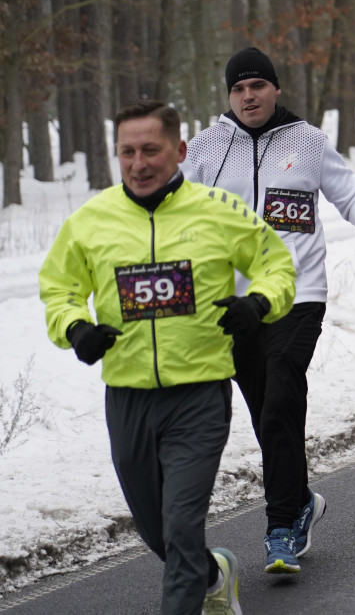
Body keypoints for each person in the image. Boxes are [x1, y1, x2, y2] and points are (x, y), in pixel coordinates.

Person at [40, 100, 297, 614]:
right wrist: (75, 328)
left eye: (150, 150)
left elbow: (277, 267)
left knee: (180, 525)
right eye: (127, 152)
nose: (138, 164)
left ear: (179, 150)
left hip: (199, 394)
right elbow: (59, 289)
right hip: (127, 398)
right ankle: (212, 574)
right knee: (156, 531)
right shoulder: (90, 221)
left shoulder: (219, 211)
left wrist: (257, 303)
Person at [183, 46, 355, 574]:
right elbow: (175, 211)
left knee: (282, 391)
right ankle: (300, 497)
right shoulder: (206, 147)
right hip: (234, 306)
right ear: (229, 95)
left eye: (257, 86)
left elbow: (347, 193)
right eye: (239, 89)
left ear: (276, 88)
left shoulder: (308, 141)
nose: (248, 96)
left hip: (299, 294)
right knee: (268, 415)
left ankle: (281, 527)